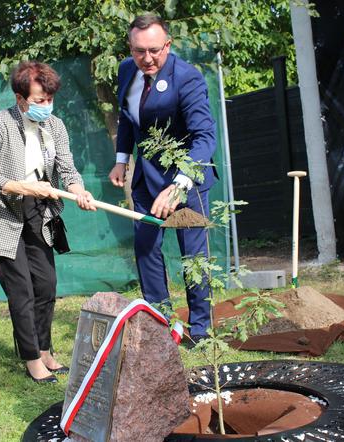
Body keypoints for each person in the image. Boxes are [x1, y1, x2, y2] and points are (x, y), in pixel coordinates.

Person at [0, 61, 96, 383]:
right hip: (4, 212)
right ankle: (32, 358)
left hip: (38, 211)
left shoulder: (56, 126)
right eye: (38, 101)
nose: (46, 107)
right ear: (20, 99)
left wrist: (80, 191)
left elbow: (67, 170)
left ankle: (45, 349)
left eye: (49, 100)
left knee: (46, 284)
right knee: (21, 290)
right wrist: (25, 186)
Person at [108, 14, 218, 345]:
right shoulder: (127, 70)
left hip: (188, 181)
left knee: (194, 259)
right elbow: (127, 118)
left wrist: (179, 184)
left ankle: (200, 330)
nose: (148, 58)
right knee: (145, 249)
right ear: (131, 48)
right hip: (146, 178)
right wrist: (121, 160)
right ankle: (161, 323)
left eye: (155, 50)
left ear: (167, 45)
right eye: (139, 51)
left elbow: (205, 137)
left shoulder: (187, 78)